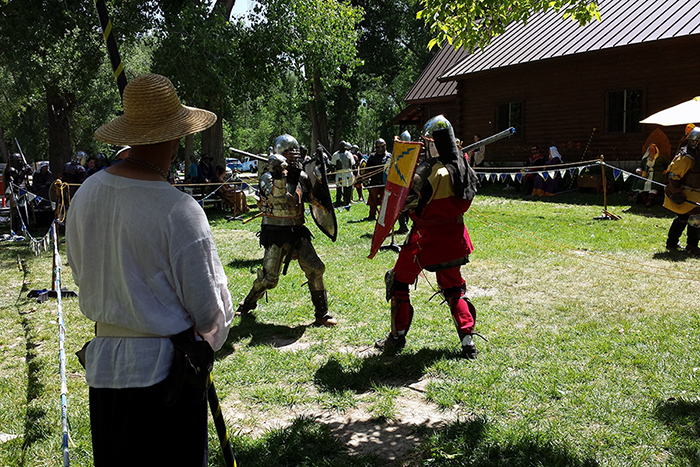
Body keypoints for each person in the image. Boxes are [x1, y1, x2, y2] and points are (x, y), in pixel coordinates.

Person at [65, 74, 233, 467]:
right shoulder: (179, 210)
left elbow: (80, 272)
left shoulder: (86, 193)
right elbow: (210, 313)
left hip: (105, 370)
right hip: (166, 380)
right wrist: (212, 335)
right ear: (175, 140)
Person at [374, 115, 481, 358]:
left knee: (398, 282)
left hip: (425, 240)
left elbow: (404, 202)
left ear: (434, 143)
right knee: (455, 288)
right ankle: (467, 342)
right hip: (454, 237)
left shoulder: (430, 171)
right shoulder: (464, 167)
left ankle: (396, 337)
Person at [235, 134, 337, 327]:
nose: (294, 155)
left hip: (297, 231)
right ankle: (247, 304)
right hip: (276, 232)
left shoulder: (301, 176)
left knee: (316, 268)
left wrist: (320, 177)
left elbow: (311, 198)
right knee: (269, 279)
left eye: (295, 151)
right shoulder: (267, 177)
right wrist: (279, 175)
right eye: (290, 151)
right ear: (280, 153)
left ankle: (322, 314)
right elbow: (278, 198)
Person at [664, 126, 700, 255]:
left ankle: (672, 242)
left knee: (683, 217)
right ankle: (691, 245)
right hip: (686, 193)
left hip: (695, 193)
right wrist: (677, 192)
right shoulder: (686, 157)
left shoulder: (697, 155)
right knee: (696, 216)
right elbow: (674, 176)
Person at [364, 138, 390, 220]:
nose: (380, 149)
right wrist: (365, 179)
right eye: (378, 147)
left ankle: (382, 216)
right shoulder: (372, 157)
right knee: (373, 200)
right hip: (374, 182)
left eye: (382, 147)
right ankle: (372, 215)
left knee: (384, 201)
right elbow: (367, 170)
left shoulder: (389, 157)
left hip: (385, 183)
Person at [331, 141, 355, 206]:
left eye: (344, 146)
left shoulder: (349, 154)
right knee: (339, 187)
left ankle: (347, 201)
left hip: (348, 173)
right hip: (339, 173)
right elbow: (333, 164)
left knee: (347, 187)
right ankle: (338, 201)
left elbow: (352, 163)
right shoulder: (335, 155)